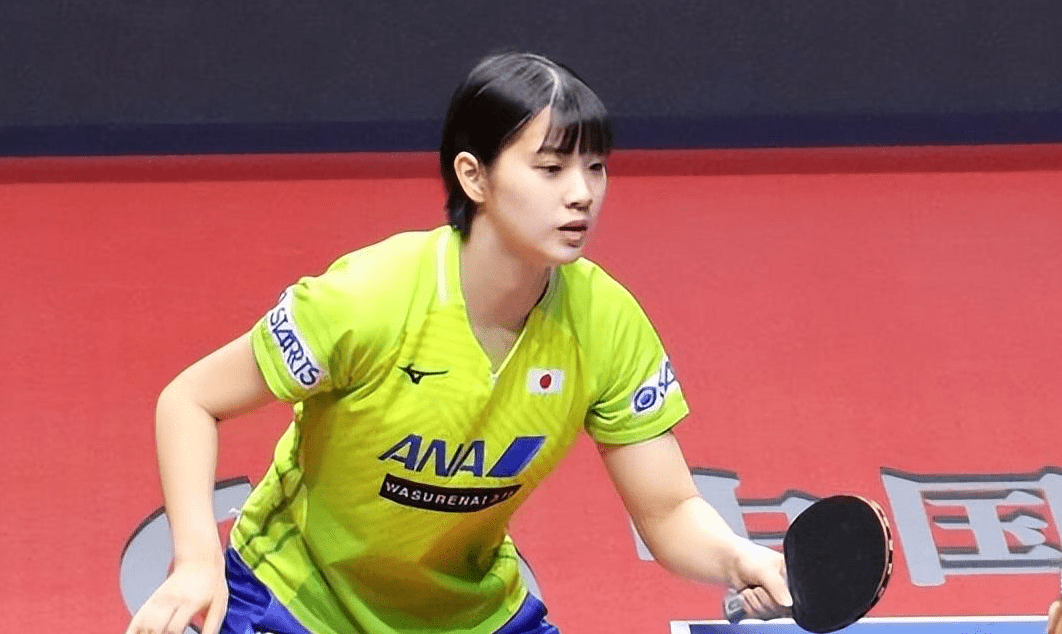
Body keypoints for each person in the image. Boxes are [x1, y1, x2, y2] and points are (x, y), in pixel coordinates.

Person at [125, 51, 790, 634]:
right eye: (551, 168)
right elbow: (190, 400)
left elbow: (669, 509)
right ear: (474, 177)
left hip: (467, 614)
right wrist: (196, 562)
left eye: (594, 167)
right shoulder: (369, 299)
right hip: (297, 599)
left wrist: (738, 558)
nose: (582, 194)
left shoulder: (605, 322)